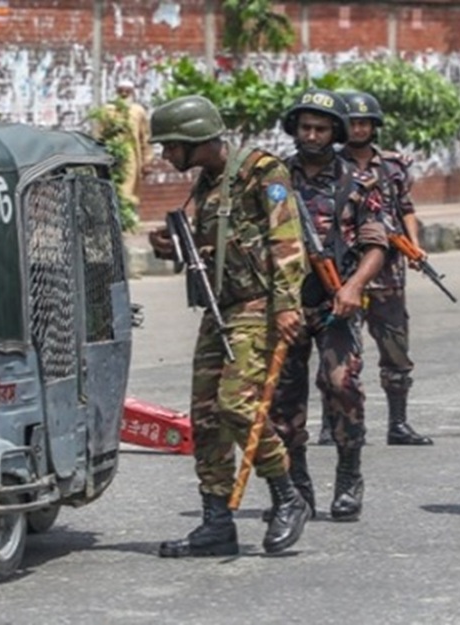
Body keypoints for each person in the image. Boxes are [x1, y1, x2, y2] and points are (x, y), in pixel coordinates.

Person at [146, 95, 310, 557]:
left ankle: (287, 495)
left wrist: (287, 305)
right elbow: (213, 250)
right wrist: (171, 247)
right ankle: (216, 522)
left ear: (192, 141)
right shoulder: (207, 184)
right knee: (207, 416)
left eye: (169, 147)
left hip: (259, 307)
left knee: (236, 404)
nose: (164, 156)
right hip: (220, 310)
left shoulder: (263, 172)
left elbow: (286, 241)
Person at [268, 88, 389, 522]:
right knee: (283, 402)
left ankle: (348, 476)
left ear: (335, 132)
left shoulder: (356, 183)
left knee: (342, 385)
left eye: (321, 128)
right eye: (305, 128)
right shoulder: (274, 179)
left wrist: (354, 286)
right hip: (285, 305)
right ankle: (297, 490)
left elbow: (378, 244)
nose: (312, 135)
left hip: (335, 302)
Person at [329, 90, 433, 446]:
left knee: (396, 351)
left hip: (388, 273)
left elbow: (405, 208)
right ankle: (333, 424)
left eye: (364, 123)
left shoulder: (393, 165)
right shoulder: (330, 164)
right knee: (339, 352)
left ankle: (398, 423)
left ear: (375, 126)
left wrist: (414, 247)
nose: (358, 129)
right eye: (352, 122)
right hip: (344, 274)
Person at [94, 80, 152, 208]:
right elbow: (99, 135)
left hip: (131, 155)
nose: (124, 94)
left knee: (129, 189)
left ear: (132, 93)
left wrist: (147, 161)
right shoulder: (107, 110)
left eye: (127, 91)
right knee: (113, 186)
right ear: (117, 92)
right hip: (111, 154)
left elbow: (145, 137)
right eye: (121, 91)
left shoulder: (138, 111)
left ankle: (128, 217)